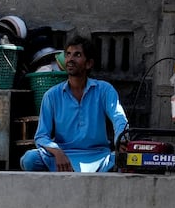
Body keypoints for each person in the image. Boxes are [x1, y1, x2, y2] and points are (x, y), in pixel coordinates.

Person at [20, 35, 127, 173]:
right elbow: (41, 136)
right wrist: (57, 152)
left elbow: (119, 118)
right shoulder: (52, 95)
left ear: (88, 63)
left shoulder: (104, 90)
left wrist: (121, 140)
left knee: (126, 159)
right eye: (68, 54)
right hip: (63, 156)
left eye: (77, 55)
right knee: (29, 159)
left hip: (99, 156)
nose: (70, 59)